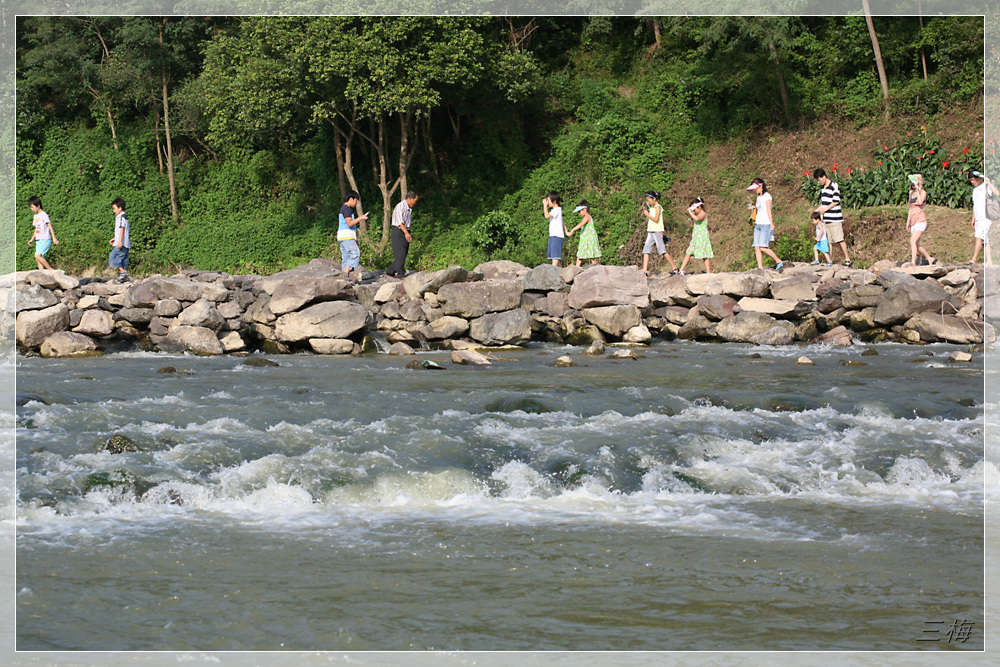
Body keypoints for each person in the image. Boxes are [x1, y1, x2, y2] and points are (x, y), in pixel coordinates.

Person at [812, 168, 852, 266]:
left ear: (824, 177)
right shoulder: (823, 188)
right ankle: (830, 260)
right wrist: (817, 211)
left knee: (839, 239)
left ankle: (847, 259)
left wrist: (825, 209)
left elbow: (836, 201)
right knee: (828, 241)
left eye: (819, 179)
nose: (819, 182)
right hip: (826, 219)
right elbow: (824, 203)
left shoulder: (834, 186)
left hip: (835, 217)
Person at [746, 178, 784, 271]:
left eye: (756, 187)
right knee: (757, 247)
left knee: (763, 247)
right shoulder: (758, 197)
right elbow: (759, 208)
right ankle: (760, 267)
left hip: (765, 224)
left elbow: (768, 210)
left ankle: (778, 260)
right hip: (758, 223)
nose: (755, 190)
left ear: (761, 185)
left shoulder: (767, 197)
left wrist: (772, 223)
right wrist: (753, 207)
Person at [640, 190, 678, 275]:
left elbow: (656, 219)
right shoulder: (652, 207)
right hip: (650, 231)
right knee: (646, 250)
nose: (648, 202)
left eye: (649, 200)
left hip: (657, 231)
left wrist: (647, 215)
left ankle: (674, 267)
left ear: (654, 199)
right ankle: (644, 270)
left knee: (662, 251)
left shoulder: (658, 207)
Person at [905, 174, 936, 266]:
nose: (912, 185)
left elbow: (919, 202)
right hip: (914, 221)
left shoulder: (923, 192)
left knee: (912, 241)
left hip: (920, 220)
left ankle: (913, 262)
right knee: (917, 245)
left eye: (914, 183)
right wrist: (908, 222)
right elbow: (911, 208)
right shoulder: (911, 193)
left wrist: (918, 190)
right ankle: (930, 258)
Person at [969, 169, 998, 265]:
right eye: (971, 181)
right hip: (978, 218)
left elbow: (997, 193)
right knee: (985, 240)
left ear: (978, 178)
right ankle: (989, 261)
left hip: (986, 217)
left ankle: (974, 259)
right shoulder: (974, 190)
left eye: (973, 180)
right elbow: (975, 204)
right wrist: (973, 218)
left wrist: (989, 183)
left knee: (978, 237)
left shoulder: (985, 186)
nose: (972, 182)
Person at [387, 190, 418, 278]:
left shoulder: (408, 208)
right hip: (399, 231)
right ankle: (400, 273)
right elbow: (400, 222)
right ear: (410, 198)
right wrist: (406, 233)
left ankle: (390, 271)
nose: (415, 203)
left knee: (403, 253)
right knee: (400, 253)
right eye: (415, 201)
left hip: (404, 230)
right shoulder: (401, 207)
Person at [338, 190, 368, 283]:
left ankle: (343, 280)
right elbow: (350, 223)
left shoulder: (344, 208)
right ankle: (345, 274)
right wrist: (360, 218)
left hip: (343, 237)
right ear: (351, 199)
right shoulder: (347, 209)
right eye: (356, 200)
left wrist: (355, 239)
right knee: (355, 254)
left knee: (346, 258)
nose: (356, 203)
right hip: (346, 237)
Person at [678, 196, 713, 275]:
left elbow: (697, 219)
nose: (694, 211)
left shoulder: (703, 213)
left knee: (705, 255)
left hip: (702, 237)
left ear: (699, 207)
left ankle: (708, 272)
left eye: (695, 209)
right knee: (689, 252)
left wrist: (690, 212)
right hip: (696, 238)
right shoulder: (697, 214)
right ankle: (681, 270)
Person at [27, 195, 58, 270]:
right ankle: (42, 275)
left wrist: (54, 238)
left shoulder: (44, 215)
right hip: (39, 240)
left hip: (45, 239)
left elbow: (49, 225)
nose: (31, 209)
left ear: (38, 205)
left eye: (32, 207)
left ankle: (50, 269)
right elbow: (36, 229)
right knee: (38, 260)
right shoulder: (35, 216)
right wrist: (32, 239)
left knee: (37, 256)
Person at [567, 200, 601, 266]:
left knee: (592, 256)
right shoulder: (585, 217)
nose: (579, 213)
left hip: (590, 239)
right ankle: (577, 267)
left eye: (580, 211)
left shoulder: (587, 216)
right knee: (580, 255)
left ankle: (595, 268)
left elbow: (581, 224)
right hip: (585, 239)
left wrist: (573, 229)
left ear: (585, 209)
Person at [109, 197, 131, 283]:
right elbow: (122, 231)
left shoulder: (121, 217)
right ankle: (124, 278)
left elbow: (122, 229)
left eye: (114, 208)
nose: (113, 211)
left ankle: (123, 272)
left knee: (113, 257)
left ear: (120, 208)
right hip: (124, 242)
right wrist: (115, 238)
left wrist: (119, 241)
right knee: (123, 260)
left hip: (122, 243)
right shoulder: (123, 217)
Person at [543, 191, 566, 267]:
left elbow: (546, 216)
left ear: (554, 200)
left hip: (557, 236)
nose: (547, 202)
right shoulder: (555, 210)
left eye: (548, 200)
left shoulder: (557, 210)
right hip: (553, 235)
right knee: (554, 257)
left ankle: (552, 273)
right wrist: (566, 231)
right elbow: (562, 221)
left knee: (555, 257)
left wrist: (544, 206)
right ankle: (562, 272)